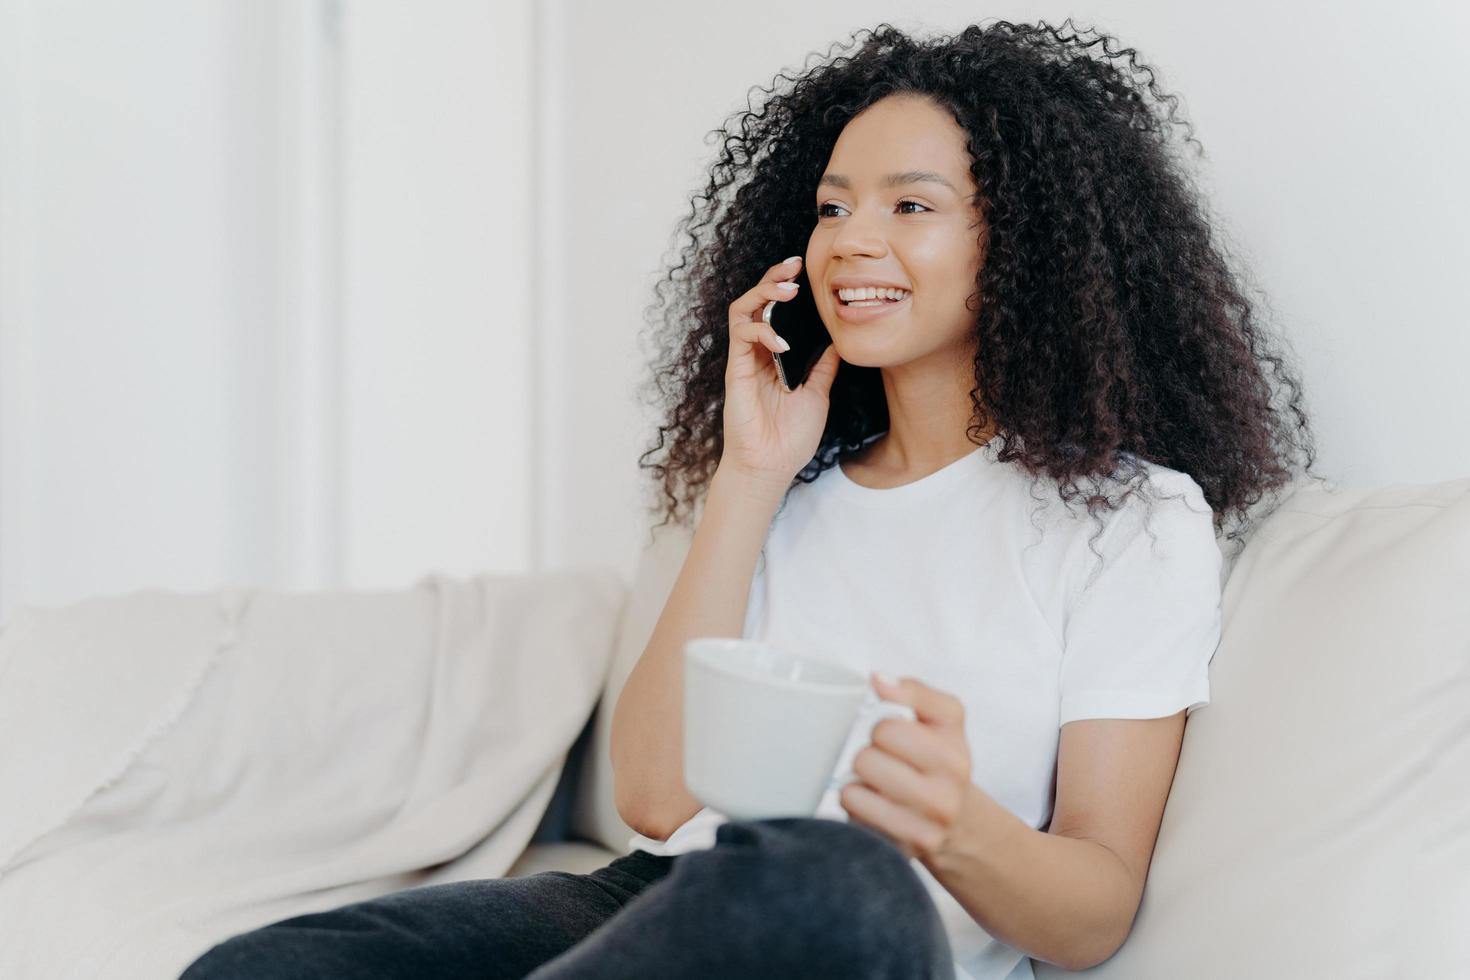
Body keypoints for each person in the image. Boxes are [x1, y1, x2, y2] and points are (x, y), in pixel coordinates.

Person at [179, 18, 1319, 980]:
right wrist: (748, 477)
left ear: (1025, 242)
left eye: (911, 207)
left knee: (833, 871)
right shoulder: (791, 484)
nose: (853, 239)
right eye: (831, 207)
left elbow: (1096, 903)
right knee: (260, 968)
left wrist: (954, 823)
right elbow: (660, 799)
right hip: (666, 901)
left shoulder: (1128, 519)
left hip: (869, 927)